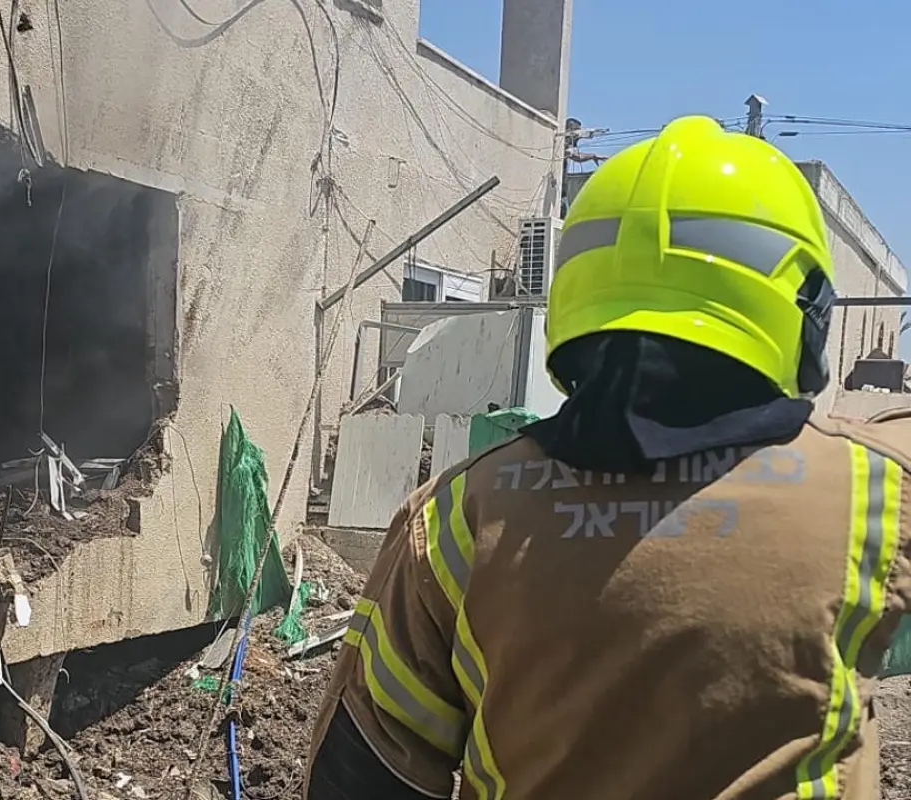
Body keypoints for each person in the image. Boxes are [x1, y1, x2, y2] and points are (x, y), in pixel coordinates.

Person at [302, 115, 911, 800]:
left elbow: (364, 775)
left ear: (576, 294)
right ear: (805, 309)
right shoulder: (873, 490)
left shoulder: (462, 514)